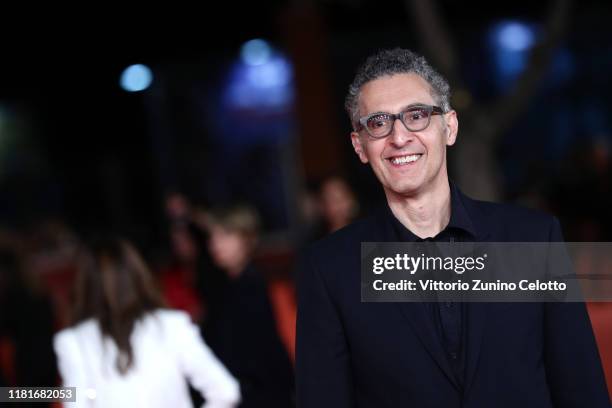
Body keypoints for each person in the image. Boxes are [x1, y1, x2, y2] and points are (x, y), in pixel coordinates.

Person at [295, 48, 610, 407]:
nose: (399, 138)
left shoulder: (531, 239)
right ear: (360, 146)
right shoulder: (329, 268)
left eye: (417, 116)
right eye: (379, 123)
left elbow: (581, 388)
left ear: (450, 127)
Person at [53, 237, 240, 408]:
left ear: (84, 284)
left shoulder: (74, 341)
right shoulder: (173, 325)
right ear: (138, 275)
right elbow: (226, 391)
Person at [196, 206, 295, 408]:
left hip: (261, 395)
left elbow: (265, 356)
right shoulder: (221, 288)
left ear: (246, 239)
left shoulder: (256, 288)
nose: (215, 244)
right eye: (213, 237)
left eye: (225, 235)